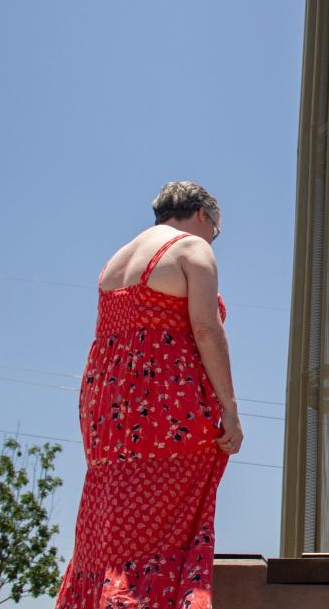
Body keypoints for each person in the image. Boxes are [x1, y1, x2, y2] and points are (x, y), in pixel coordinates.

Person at [57, 181, 243, 609]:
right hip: (164, 401)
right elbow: (205, 329)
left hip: (105, 402)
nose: (214, 237)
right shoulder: (192, 250)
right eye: (216, 228)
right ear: (202, 215)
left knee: (112, 511)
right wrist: (229, 410)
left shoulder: (116, 260)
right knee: (167, 521)